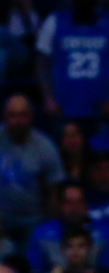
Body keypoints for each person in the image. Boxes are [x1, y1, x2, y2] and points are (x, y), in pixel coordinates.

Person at [0, 93, 65, 246]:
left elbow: (54, 192)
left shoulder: (45, 146)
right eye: (12, 115)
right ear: (4, 117)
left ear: (31, 116)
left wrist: (46, 227)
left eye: (23, 115)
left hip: (34, 221)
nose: (17, 121)